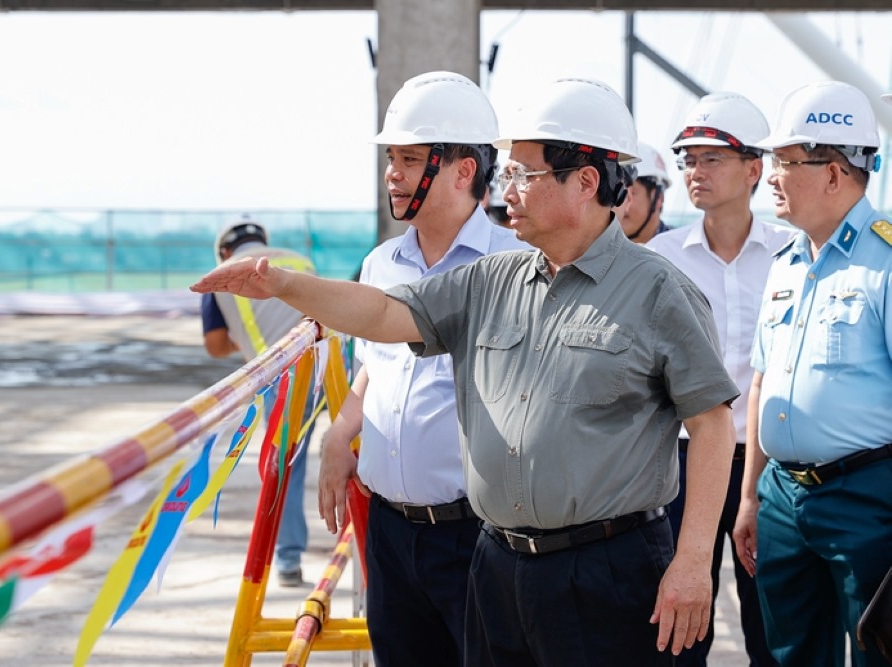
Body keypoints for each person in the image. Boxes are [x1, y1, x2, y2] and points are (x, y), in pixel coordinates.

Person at [192, 77, 740, 666]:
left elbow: (712, 426)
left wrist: (692, 563)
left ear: (584, 182)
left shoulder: (659, 292)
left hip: (607, 570)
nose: (509, 189)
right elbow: (381, 312)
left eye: (525, 174)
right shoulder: (493, 280)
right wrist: (283, 285)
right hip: (499, 568)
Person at [316, 71, 527, 667]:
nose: (393, 172)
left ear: (464, 171)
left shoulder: (516, 267)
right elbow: (371, 371)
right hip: (389, 536)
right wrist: (339, 433)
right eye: (392, 158)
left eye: (410, 159)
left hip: (477, 537)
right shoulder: (381, 263)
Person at [733, 80, 892, 666]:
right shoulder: (786, 264)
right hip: (782, 497)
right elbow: (760, 381)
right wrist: (750, 496)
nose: (771, 175)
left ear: (834, 171)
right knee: (787, 654)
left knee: (879, 649)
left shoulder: (887, 263)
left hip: (869, 496)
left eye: (784, 161)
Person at [646, 91, 790, 667]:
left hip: (771, 467)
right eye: (688, 159)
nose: (694, 172)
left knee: (775, 631)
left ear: (755, 168)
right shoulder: (660, 257)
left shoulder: (793, 252)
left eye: (711, 159)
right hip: (680, 465)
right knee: (680, 631)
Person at [199, 218, 317, 587]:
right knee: (358, 451)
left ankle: (288, 558)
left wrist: (244, 342)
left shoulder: (219, 276)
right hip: (333, 365)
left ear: (224, 252)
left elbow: (216, 347)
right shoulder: (299, 261)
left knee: (285, 465)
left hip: (284, 378)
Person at [615, 141, 672, 243]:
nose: (617, 202)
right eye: (614, 191)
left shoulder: (679, 255)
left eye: (629, 192)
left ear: (658, 198)